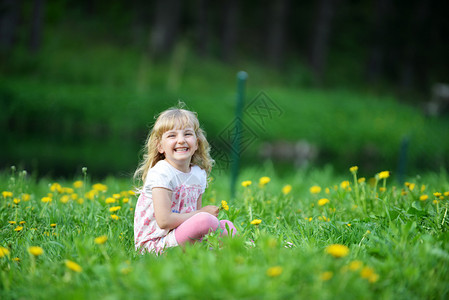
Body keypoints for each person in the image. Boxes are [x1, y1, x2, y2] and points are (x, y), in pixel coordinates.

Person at [133, 103, 236, 254]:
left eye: (187, 134)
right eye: (172, 135)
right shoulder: (162, 173)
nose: (181, 140)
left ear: (196, 143)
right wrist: (203, 214)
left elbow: (194, 221)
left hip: (178, 237)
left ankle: (246, 247)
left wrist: (201, 216)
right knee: (204, 220)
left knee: (226, 225)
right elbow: (164, 221)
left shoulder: (198, 174)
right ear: (160, 146)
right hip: (155, 244)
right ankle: (241, 247)